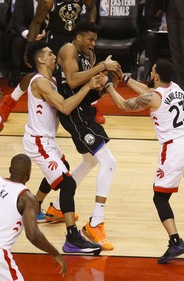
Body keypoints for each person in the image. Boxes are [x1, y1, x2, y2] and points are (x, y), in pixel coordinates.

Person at [103, 59, 184, 264]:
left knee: (160, 198)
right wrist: (125, 79)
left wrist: (108, 87)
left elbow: (124, 105)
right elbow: (148, 92)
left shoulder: (153, 97)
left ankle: (175, 241)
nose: (151, 72)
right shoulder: (176, 88)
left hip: (175, 147)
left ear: (156, 76)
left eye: (153, 71)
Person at [22, 40, 103, 253]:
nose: (53, 56)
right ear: (40, 59)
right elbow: (65, 108)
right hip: (38, 140)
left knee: (63, 165)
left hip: (47, 140)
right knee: (67, 185)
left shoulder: (53, 80)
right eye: (49, 53)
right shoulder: (41, 83)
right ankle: (72, 237)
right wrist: (87, 86)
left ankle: (35, 206)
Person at [56, 20, 123, 250]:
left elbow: (90, 86)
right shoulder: (69, 49)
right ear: (78, 37)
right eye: (90, 39)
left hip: (85, 112)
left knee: (91, 160)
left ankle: (58, 204)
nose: (93, 44)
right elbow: (73, 79)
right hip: (74, 114)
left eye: (95, 40)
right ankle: (95, 222)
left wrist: (107, 80)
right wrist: (101, 67)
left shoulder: (89, 56)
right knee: (109, 163)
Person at [0, 0, 106, 123]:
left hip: (75, 39)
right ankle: (10, 100)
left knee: (86, 71)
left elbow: (92, 7)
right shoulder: (48, 2)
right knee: (39, 77)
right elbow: (37, 22)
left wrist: (89, 30)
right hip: (55, 40)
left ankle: (93, 106)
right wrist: (29, 48)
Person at [0, 153, 67, 279]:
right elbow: (33, 235)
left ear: (9, 170)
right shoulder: (27, 198)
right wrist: (55, 253)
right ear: (29, 174)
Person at [7, 0, 46, 87]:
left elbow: (49, 21)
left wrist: (44, 32)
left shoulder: (48, 1)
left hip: (41, 33)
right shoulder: (21, 1)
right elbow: (17, 23)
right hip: (23, 31)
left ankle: (44, 76)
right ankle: (15, 76)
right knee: (18, 42)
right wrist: (30, 35)